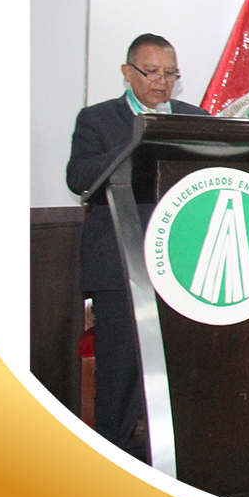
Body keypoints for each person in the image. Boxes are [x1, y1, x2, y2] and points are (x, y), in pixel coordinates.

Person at [65, 34, 209, 459]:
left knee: (184, 362)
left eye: (170, 73)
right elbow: (78, 177)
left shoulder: (196, 118)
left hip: (183, 260)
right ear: (127, 73)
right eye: (151, 72)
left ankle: (180, 453)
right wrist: (136, 144)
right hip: (119, 261)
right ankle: (116, 454)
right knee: (122, 367)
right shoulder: (97, 119)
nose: (161, 82)